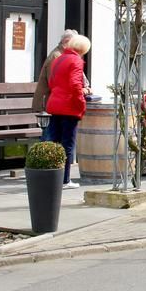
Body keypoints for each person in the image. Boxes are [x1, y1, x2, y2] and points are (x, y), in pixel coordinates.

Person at [44, 34, 92, 189]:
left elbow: (51, 81)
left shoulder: (59, 59)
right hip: (68, 106)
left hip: (54, 103)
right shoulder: (76, 60)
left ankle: (53, 177)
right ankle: (65, 180)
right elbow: (75, 84)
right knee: (68, 144)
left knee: (55, 142)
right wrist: (81, 103)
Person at [33, 29, 91, 112]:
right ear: (67, 42)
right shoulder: (56, 56)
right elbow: (55, 83)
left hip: (57, 102)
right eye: (76, 44)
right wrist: (80, 90)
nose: (78, 47)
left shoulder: (66, 56)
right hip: (48, 104)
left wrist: (85, 87)